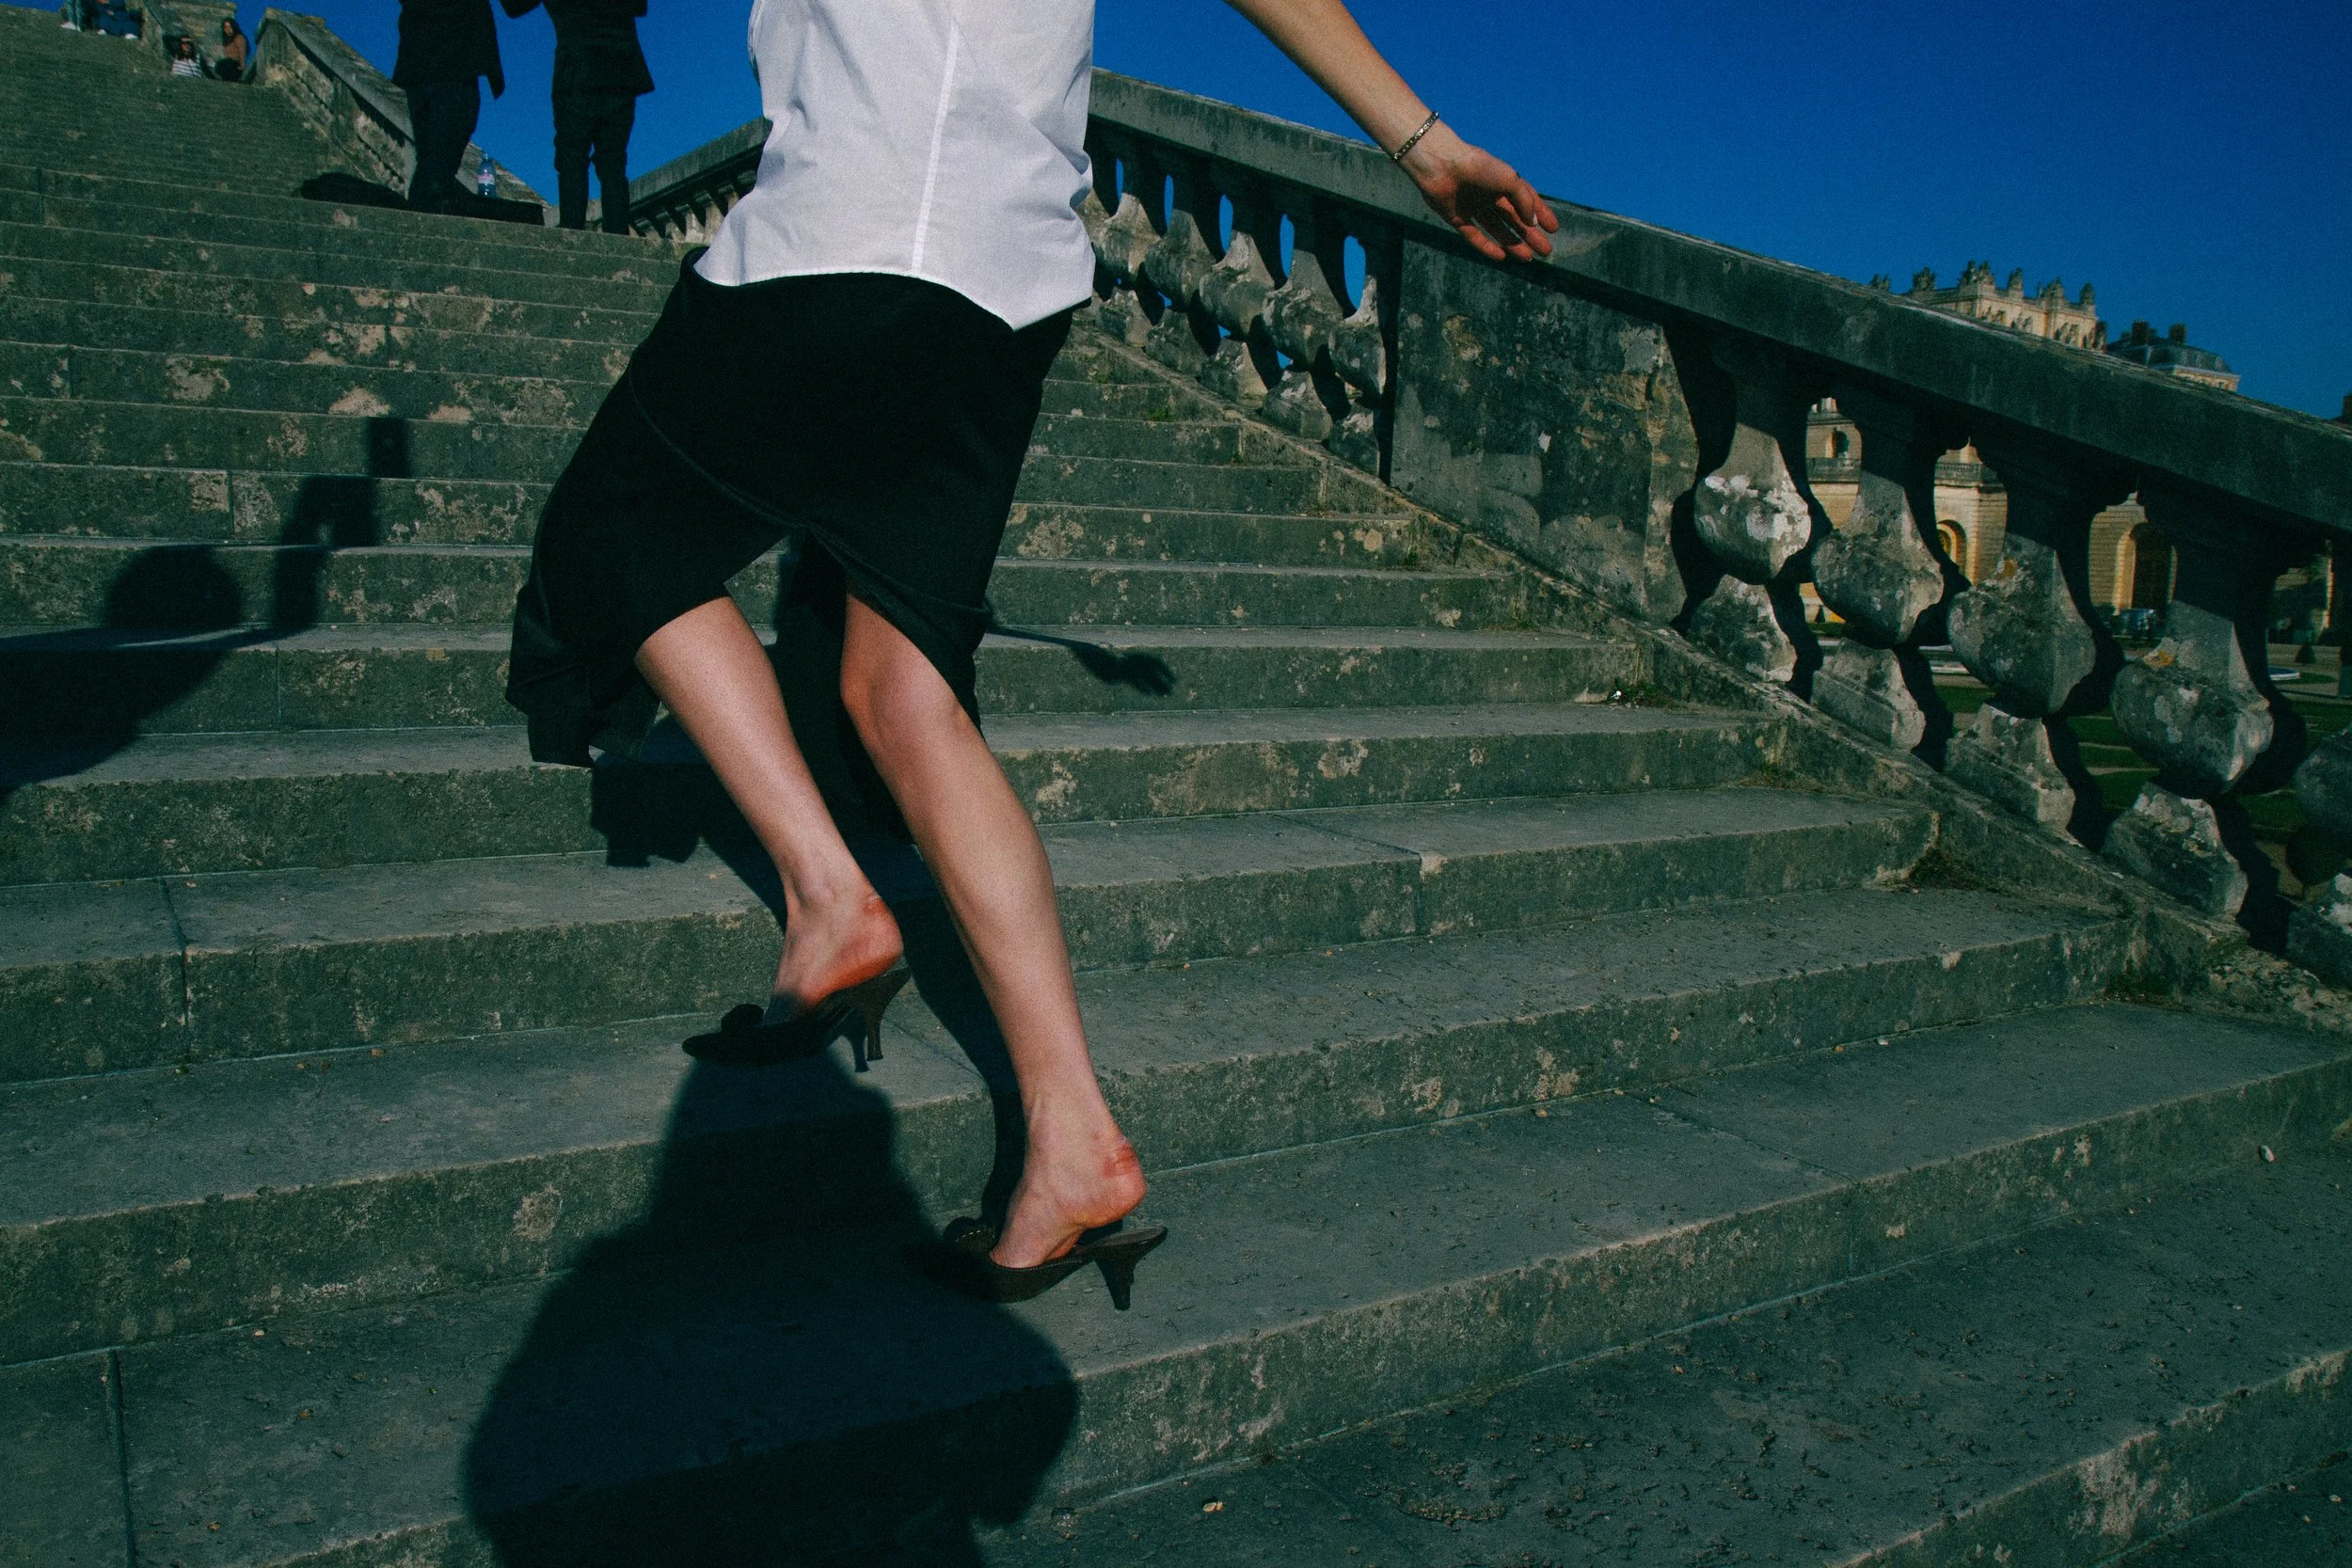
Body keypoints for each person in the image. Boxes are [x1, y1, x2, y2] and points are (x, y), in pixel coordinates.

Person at [504, 0, 1556, 1307]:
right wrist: (1420, 141)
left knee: (613, 542)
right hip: (1003, 281)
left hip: (844, 223)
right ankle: (1073, 1140)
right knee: (902, 692)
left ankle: (833, 901)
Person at [499, 0, 652, 234]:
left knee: (573, 159)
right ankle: (616, 233)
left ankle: (573, 230)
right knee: (612, 163)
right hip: (619, 72)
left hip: (577, 73)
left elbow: (513, 7)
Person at [394, 0, 505, 213]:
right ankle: (422, 220)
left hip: (422, 65)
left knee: (432, 160)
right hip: (453, 66)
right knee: (437, 167)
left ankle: (421, 214)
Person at [213, 16, 248, 81]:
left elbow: (242, 52)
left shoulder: (239, 38)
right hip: (228, 65)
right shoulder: (227, 41)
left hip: (235, 66)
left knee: (223, 64)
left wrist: (242, 66)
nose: (228, 29)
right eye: (225, 27)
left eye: (229, 26)